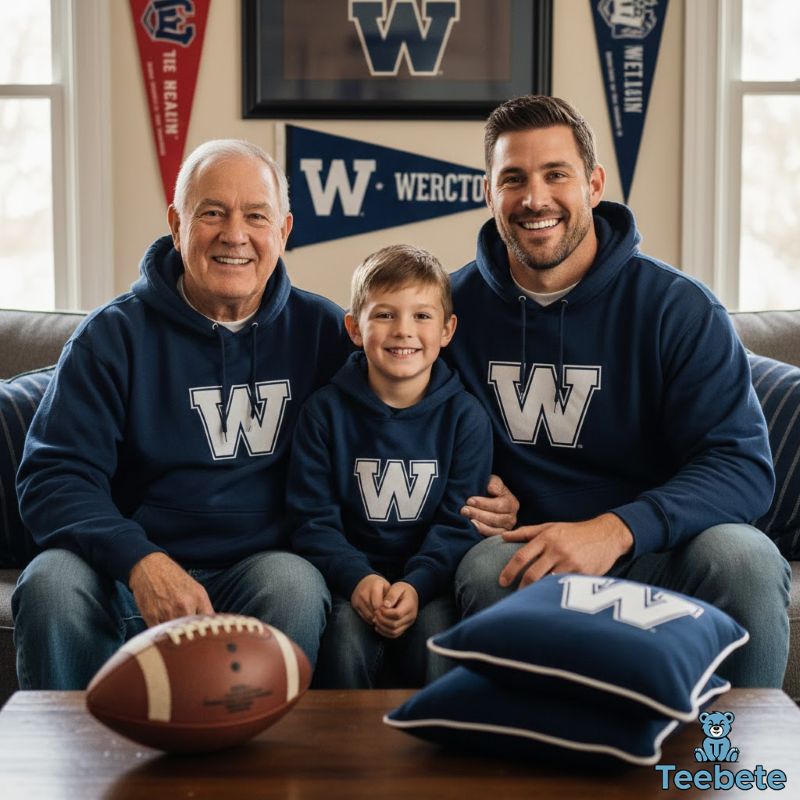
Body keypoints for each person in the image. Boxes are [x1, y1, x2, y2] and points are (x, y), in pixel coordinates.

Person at [447, 95, 791, 687]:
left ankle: (734, 770)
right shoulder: (448, 313)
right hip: (537, 549)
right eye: (513, 179)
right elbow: (392, 428)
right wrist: (470, 488)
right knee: (486, 570)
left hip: (667, 547)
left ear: (593, 183)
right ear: (489, 194)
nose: (535, 199)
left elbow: (742, 467)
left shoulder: (677, 308)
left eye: (556, 174)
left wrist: (615, 529)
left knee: (744, 556)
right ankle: (539, 767)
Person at [12, 139, 353, 689]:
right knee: (51, 582)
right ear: (177, 223)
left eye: (255, 216)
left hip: (259, 570)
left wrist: (481, 481)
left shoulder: (324, 334)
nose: (234, 235)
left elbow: (404, 425)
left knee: (293, 582)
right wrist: (140, 561)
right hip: (125, 573)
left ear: (284, 231)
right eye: (212, 212)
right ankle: (71, 768)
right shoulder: (111, 338)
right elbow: (54, 477)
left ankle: (260, 774)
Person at [288, 245, 492, 687]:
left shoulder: (467, 419)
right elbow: (311, 519)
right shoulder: (323, 413)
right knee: (342, 639)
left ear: (447, 329)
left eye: (422, 316)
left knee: (438, 638)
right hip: (349, 580)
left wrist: (418, 585)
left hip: (431, 584)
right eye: (384, 315)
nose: (403, 331)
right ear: (354, 328)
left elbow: (461, 523)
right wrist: (357, 578)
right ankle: (345, 756)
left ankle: (438, 750)